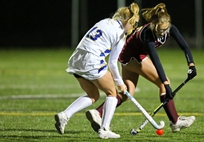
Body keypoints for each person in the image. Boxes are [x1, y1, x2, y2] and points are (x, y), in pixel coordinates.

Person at [86, 3, 197, 133]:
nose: (162, 33)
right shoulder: (148, 34)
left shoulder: (170, 28)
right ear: (154, 24)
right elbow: (155, 60)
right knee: (162, 82)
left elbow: (185, 47)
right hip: (132, 57)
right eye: (160, 30)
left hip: (127, 57)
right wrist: (166, 83)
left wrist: (191, 65)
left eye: (165, 30)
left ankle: (97, 113)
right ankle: (175, 121)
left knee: (128, 93)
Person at [54, 3, 140, 139]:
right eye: (133, 24)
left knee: (93, 95)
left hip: (76, 58)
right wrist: (120, 83)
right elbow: (112, 63)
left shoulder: (105, 21)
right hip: (91, 60)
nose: (133, 28)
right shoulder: (120, 35)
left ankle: (64, 115)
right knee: (112, 93)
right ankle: (104, 129)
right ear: (128, 21)